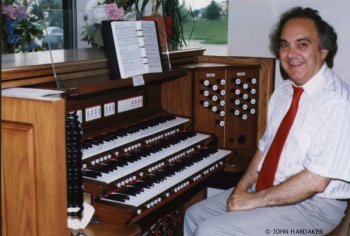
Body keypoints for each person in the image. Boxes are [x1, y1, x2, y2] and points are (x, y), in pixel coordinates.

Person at [184, 6, 350, 236]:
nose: (291, 53)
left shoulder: (338, 102)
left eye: (302, 44)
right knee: (194, 215)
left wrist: (251, 201)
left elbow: (316, 181)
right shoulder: (282, 94)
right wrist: (240, 192)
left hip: (314, 207)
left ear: (323, 51)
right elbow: (264, 150)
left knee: (210, 231)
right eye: (284, 45)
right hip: (269, 187)